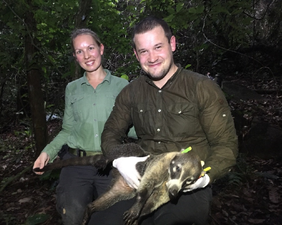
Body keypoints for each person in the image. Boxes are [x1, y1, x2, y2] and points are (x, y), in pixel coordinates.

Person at [100, 16, 238, 225]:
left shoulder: (202, 88)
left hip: (186, 187)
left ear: (172, 44)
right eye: (144, 51)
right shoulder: (131, 93)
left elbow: (226, 145)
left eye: (158, 47)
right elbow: (110, 133)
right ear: (136, 55)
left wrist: (205, 177)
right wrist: (121, 161)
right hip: (142, 179)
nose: (152, 57)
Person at [33, 28, 133, 225]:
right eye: (79, 51)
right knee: (72, 214)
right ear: (75, 56)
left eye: (90, 48)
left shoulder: (121, 86)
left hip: (110, 162)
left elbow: (131, 127)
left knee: (114, 217)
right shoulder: (72, 89)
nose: (86, 55)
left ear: (101, 48)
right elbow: (68, 129)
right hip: (76, 164)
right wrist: (48, 152)